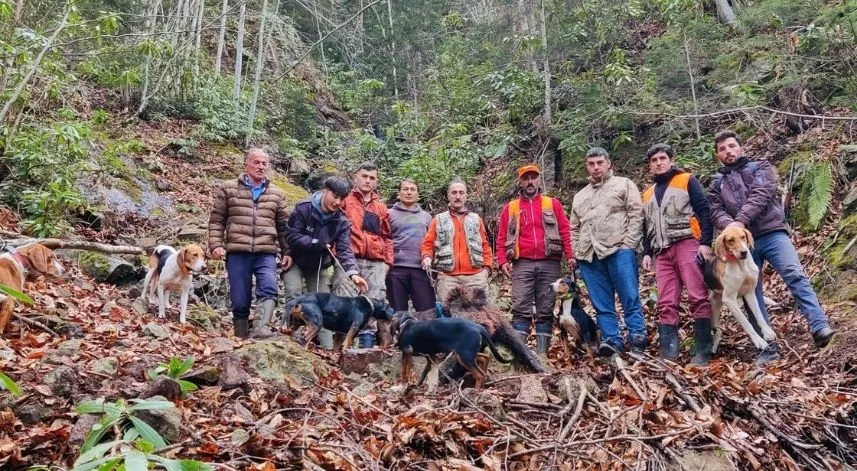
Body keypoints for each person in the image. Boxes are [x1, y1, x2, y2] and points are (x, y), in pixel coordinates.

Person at [707, 130, 835, 365]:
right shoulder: (717, 183)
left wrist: (739, 220)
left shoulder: (761, 167)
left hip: (772, 232)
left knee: (794, 274)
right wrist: (731, 228)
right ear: (718, 155)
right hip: (740, 244)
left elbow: (762, 193)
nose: (728, 151)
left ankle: (819, 326)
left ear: (740, 147)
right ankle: (767, 346)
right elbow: (714, 210)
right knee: (749, 292)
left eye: (732, 146)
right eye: (723, 149)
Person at [640, 144, 714, 365]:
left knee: (697, 295)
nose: (659, 163)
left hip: (687, 244)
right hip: (661, 252)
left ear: (671, 160)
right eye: (654, 160)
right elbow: (647, 225)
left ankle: (702, 352)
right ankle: (669, 354)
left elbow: (704, 210)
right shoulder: (647, 193)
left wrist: (705, 243)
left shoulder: (686, 180)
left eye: (662, 158)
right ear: (650, 166)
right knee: (665, 301)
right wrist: (647, 252)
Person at [569, 147, 647, 356]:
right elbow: (574, 227)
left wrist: (629, 243)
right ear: (587, 166)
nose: (596, 168)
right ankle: (612, 341)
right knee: (601, 303)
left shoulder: (623, 184)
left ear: (608, 163)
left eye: (600, 163)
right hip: (589, 255)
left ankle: (637, 337)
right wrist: (577, 251)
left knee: (629, 296)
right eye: (591, 164)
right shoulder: (580, 195)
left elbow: (636, 213)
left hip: (618, 250)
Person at [208, 148, 292, 339]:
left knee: (269, 287)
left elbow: (283, 227)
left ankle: (261, 331)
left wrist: (288, 251)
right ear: (246, 164)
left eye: (264, 163)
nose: (261, 167)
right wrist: (215, 245)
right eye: (256, 162)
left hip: (266, 251)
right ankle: (240, 338)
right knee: (239, 299)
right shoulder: (228, 188)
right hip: (237, 250)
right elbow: (217, 219)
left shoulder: (276, 194)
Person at [496, 164, 573, 354]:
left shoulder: (552, 204)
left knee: (545, 309)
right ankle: (520, 355)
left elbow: (565, 230)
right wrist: (502, 261)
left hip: (550, 262)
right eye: (525, 178)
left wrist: (571, 256)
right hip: (522, 264)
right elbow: (501, 236)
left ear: (539, 179)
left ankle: (542, 356)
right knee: (521, 308)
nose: (530, 181)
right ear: (520, 181)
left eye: (533, 177)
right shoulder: (511, 208)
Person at [282, 177, 369, 333]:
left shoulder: (342, 221)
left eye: (342, 199)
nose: (337, 202)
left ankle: (326, 349)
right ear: (325, 191)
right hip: (295, 260)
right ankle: (289, 339)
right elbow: (292, 235)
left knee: (325, 305)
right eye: (335, 197)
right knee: (294, 294)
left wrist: (353, 274)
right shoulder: (303, 208)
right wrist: (316, 243)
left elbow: (344, 251)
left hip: (320, 265)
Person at [333, 163, 394, 348]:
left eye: (372, 177)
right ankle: (339, 350)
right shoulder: (345, 201)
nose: (368, 180)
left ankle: (366, 349)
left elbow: (387, 237)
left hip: (375, 261)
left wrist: (388, 262)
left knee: (373, 304)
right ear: (356, 177)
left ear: (376, 181)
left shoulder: (381, 208)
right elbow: (333, 226)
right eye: (364, 176)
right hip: (349, 258)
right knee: (344, 302)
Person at [421, 180, 494, 301]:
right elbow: (427, 243)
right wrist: (426, 257)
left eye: (461, 193)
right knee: (449, 316)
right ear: (448, 195)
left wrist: (486, 269)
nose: (458, 196)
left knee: (480, 316)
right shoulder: (438, 219)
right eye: (454, 193)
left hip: (476, 277)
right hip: (447, 279)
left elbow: (485, 246)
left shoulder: (476, 219)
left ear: (466, 196)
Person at [387, 179, 436, 320]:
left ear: (417, 194)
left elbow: (432, 242)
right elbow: (384, 240)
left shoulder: (426, 217)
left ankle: (425, 340)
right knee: (397, 311)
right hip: (396, 268)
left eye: (412, 189)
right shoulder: (388, 214)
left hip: (421, 269)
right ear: (399, 193)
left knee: (426, 310)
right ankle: (398, 340)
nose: (409, 192)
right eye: (405, 189)